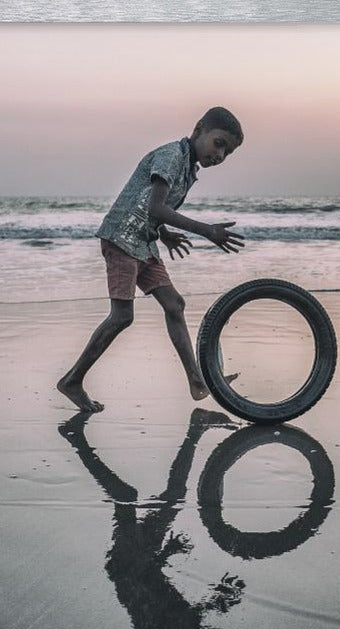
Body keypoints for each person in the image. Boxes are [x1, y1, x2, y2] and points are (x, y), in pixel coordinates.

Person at [57, 107, 245, 413]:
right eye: (219, 143)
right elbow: (156, 207)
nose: (221, 155)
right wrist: (207, 230)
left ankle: (197, 382)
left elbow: (152, 207)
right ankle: (72, 381)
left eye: (228, 153)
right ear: (198, 130)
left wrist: (165, 233)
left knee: (174, 305)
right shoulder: (172, 156)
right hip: (120, 238)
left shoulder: (188, 168)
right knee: (122, 316)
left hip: (144, 242)